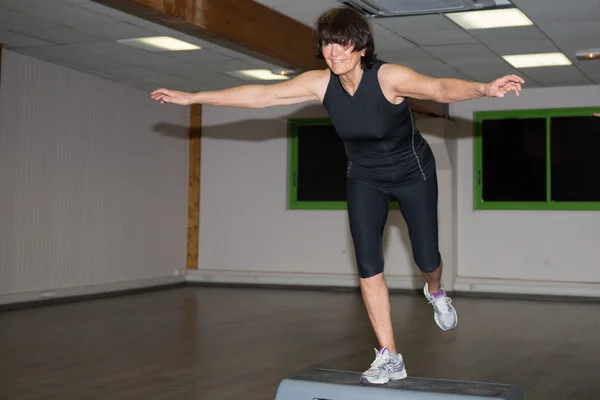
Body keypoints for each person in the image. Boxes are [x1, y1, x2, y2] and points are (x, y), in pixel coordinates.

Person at [151, 6, 524, 385]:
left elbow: (440, 88)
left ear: (361, 47)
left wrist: (483, 89)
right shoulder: (320, 83)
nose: (334, 52)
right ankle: (390, 356)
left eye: (343, 44)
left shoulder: (388, 77)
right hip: (364, 176)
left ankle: (435, 290)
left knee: (426, 256)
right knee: (368, 264)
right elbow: (261, 96)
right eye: (328, 44)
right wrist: (193, 96)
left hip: (414, 173)